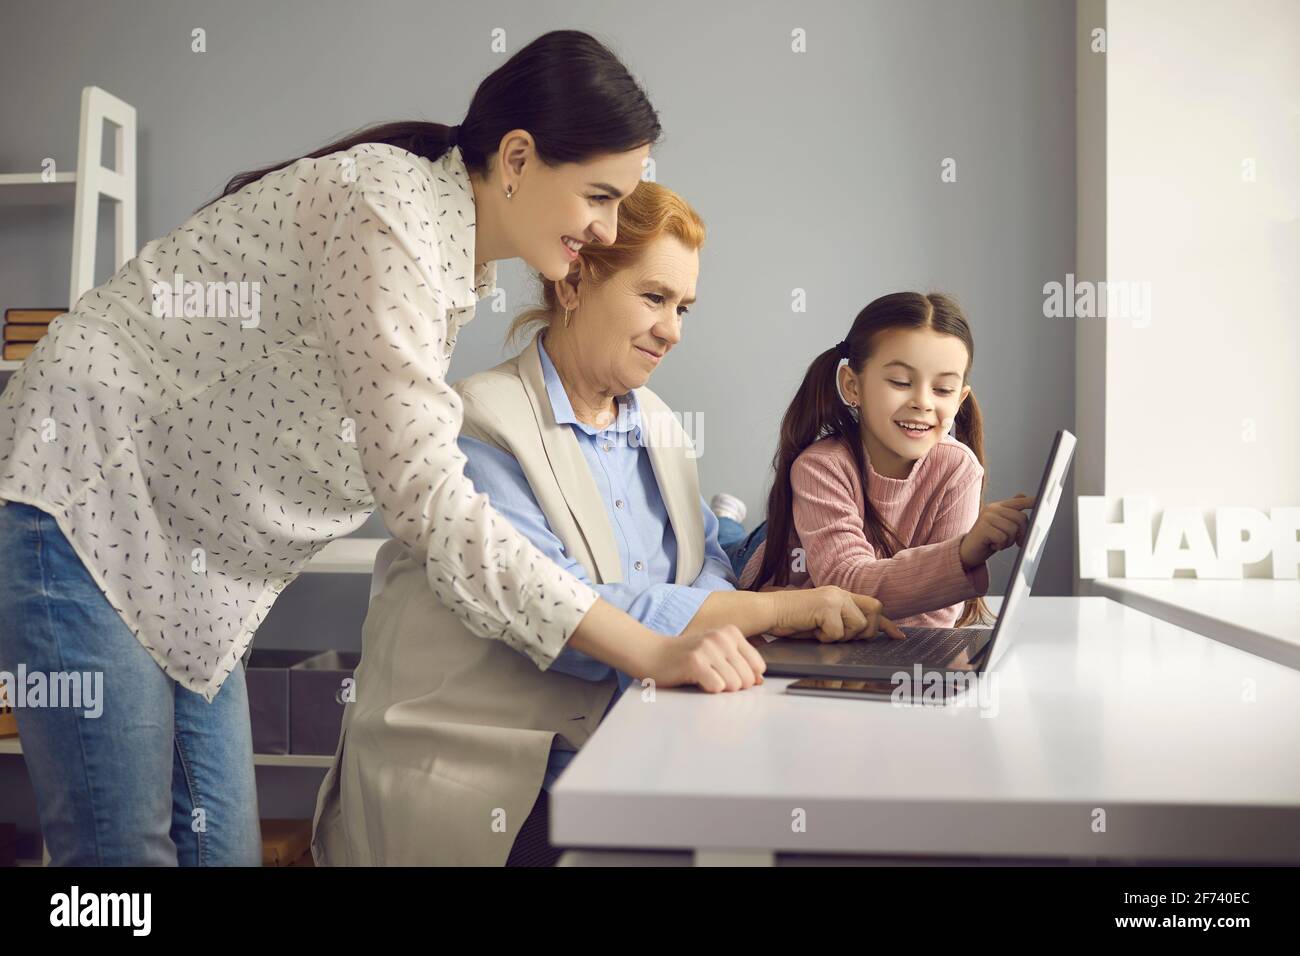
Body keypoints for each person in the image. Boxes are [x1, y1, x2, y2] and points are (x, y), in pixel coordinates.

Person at [0, 29, 761, 867]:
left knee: (221, 852)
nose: (608, 227)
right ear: (516, 158)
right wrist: (650, 649)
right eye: (599, 196)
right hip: (86, 484)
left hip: (195, 562)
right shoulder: (386, 209)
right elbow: (429, 501)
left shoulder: (451, 269)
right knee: (119, 856)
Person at [311, 181, 899, 867]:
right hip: (493, 760)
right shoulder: (477, 425)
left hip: (624, 728)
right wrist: (773, 608)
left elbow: (701, 560)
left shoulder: (656, 422)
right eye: (654, 298)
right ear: (574, 282)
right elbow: (567, 617)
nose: (673, 329)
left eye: (683, 307)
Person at [739, 292, 1033, 627]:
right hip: (774, 551)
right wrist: (961, 554)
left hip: (831, 558)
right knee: (727, 543)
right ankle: (727, 517)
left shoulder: (959, 469)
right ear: (852, 386)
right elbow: (846, 583)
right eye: (901, 382)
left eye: (943, 390)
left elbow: (937, 618)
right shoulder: (820, 466)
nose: (922, 402)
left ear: (960, 399)